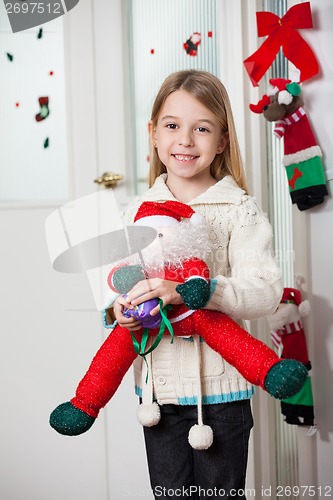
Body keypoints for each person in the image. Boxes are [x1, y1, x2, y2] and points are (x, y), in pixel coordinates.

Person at [113, 70, 283, 499]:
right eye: (172, 126)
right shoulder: (136, 211)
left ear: (222, 140)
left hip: (222, 397)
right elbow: (123, 283)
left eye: (201, 128)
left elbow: (264, 290)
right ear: (153, 133)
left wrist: (198, 292)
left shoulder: (238, 210)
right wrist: (124, 312)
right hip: (158, 397)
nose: (185, 140)